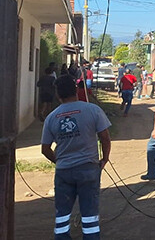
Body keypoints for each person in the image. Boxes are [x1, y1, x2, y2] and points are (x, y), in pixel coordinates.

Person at [41, 75, 111, 239]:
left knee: (62, 216)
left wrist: (58, 161)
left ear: (58, 95)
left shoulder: (51, 117)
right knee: (90, 215)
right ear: (76, 90)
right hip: (88, 169)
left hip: (64, 171)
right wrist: (104, 159)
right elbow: (105, 138)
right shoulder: (92, 110)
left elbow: (45, 149)